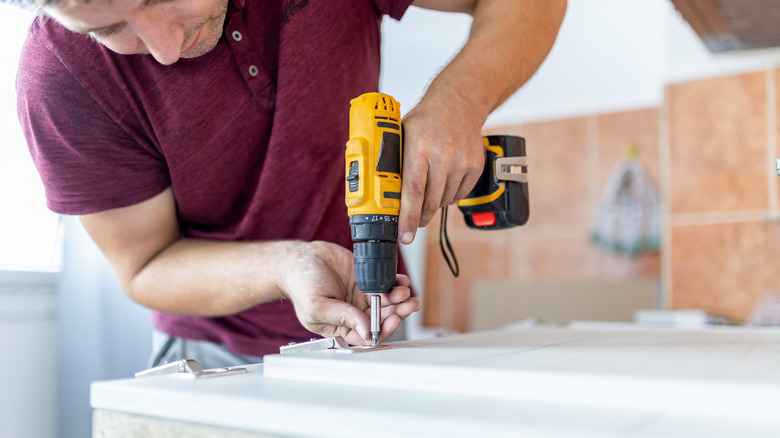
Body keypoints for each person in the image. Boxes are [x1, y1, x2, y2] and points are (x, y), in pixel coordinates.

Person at [13, 0, 566, 368]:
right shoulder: (61, 76)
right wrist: (287, 267)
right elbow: (144, 264)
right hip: (211, 356)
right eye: (109, 29)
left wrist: (458, 104)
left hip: (372, 334)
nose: (165, 45)